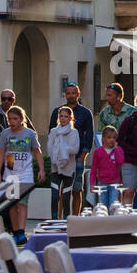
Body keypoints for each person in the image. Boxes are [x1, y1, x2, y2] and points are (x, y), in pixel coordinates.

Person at [0, 105, 45, 245]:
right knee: (12, 203)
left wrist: (41, 169)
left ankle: (21, 232)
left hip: (25, 173)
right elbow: (1, 152)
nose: (12, 121)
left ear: (22, 119)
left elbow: (37, 152)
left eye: (15, 119)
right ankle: (16, 231)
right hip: (10, 173)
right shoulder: (5, 134)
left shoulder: (29, 134)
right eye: (9, 119)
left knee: (22, 203)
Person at [48, 83, 94, 216]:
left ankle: (75, 217)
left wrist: (83, 155)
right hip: (59, 159)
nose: (71, 95)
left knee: (77, 189)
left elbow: (89, 135)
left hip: (77, 157)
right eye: (68, 93)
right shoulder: (58, 111)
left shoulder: (86, 113)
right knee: (61, 191)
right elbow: (51, 132)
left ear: (78, 94)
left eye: (74, 93)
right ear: (65, 95)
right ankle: (60, 219)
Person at [47, 106, 80, 220]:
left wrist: (62, 149)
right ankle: (54, 220)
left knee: (66, 197)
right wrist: (57, 155)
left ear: (70, 118)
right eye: (61, 116)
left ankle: (66, 221)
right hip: (55, 168)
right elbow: (49, 148)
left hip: (69, 168)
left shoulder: (74, 132)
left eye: (66, 116)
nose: (63, 118)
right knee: (54, 196)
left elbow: (75, 149)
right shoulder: (54, 131)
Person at [89, 126, 124, 209]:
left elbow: (120, 162)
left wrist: (116, 149)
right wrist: (92, 183)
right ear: (103, 138)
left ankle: (112, 220)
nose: (112, 140)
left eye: (114, 137)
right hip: (102, 182)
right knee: (102, 205)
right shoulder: (98, 151)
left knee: (113, 205)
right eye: (109, 137)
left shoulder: (118, 150)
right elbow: (93, 169)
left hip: (115, 182)